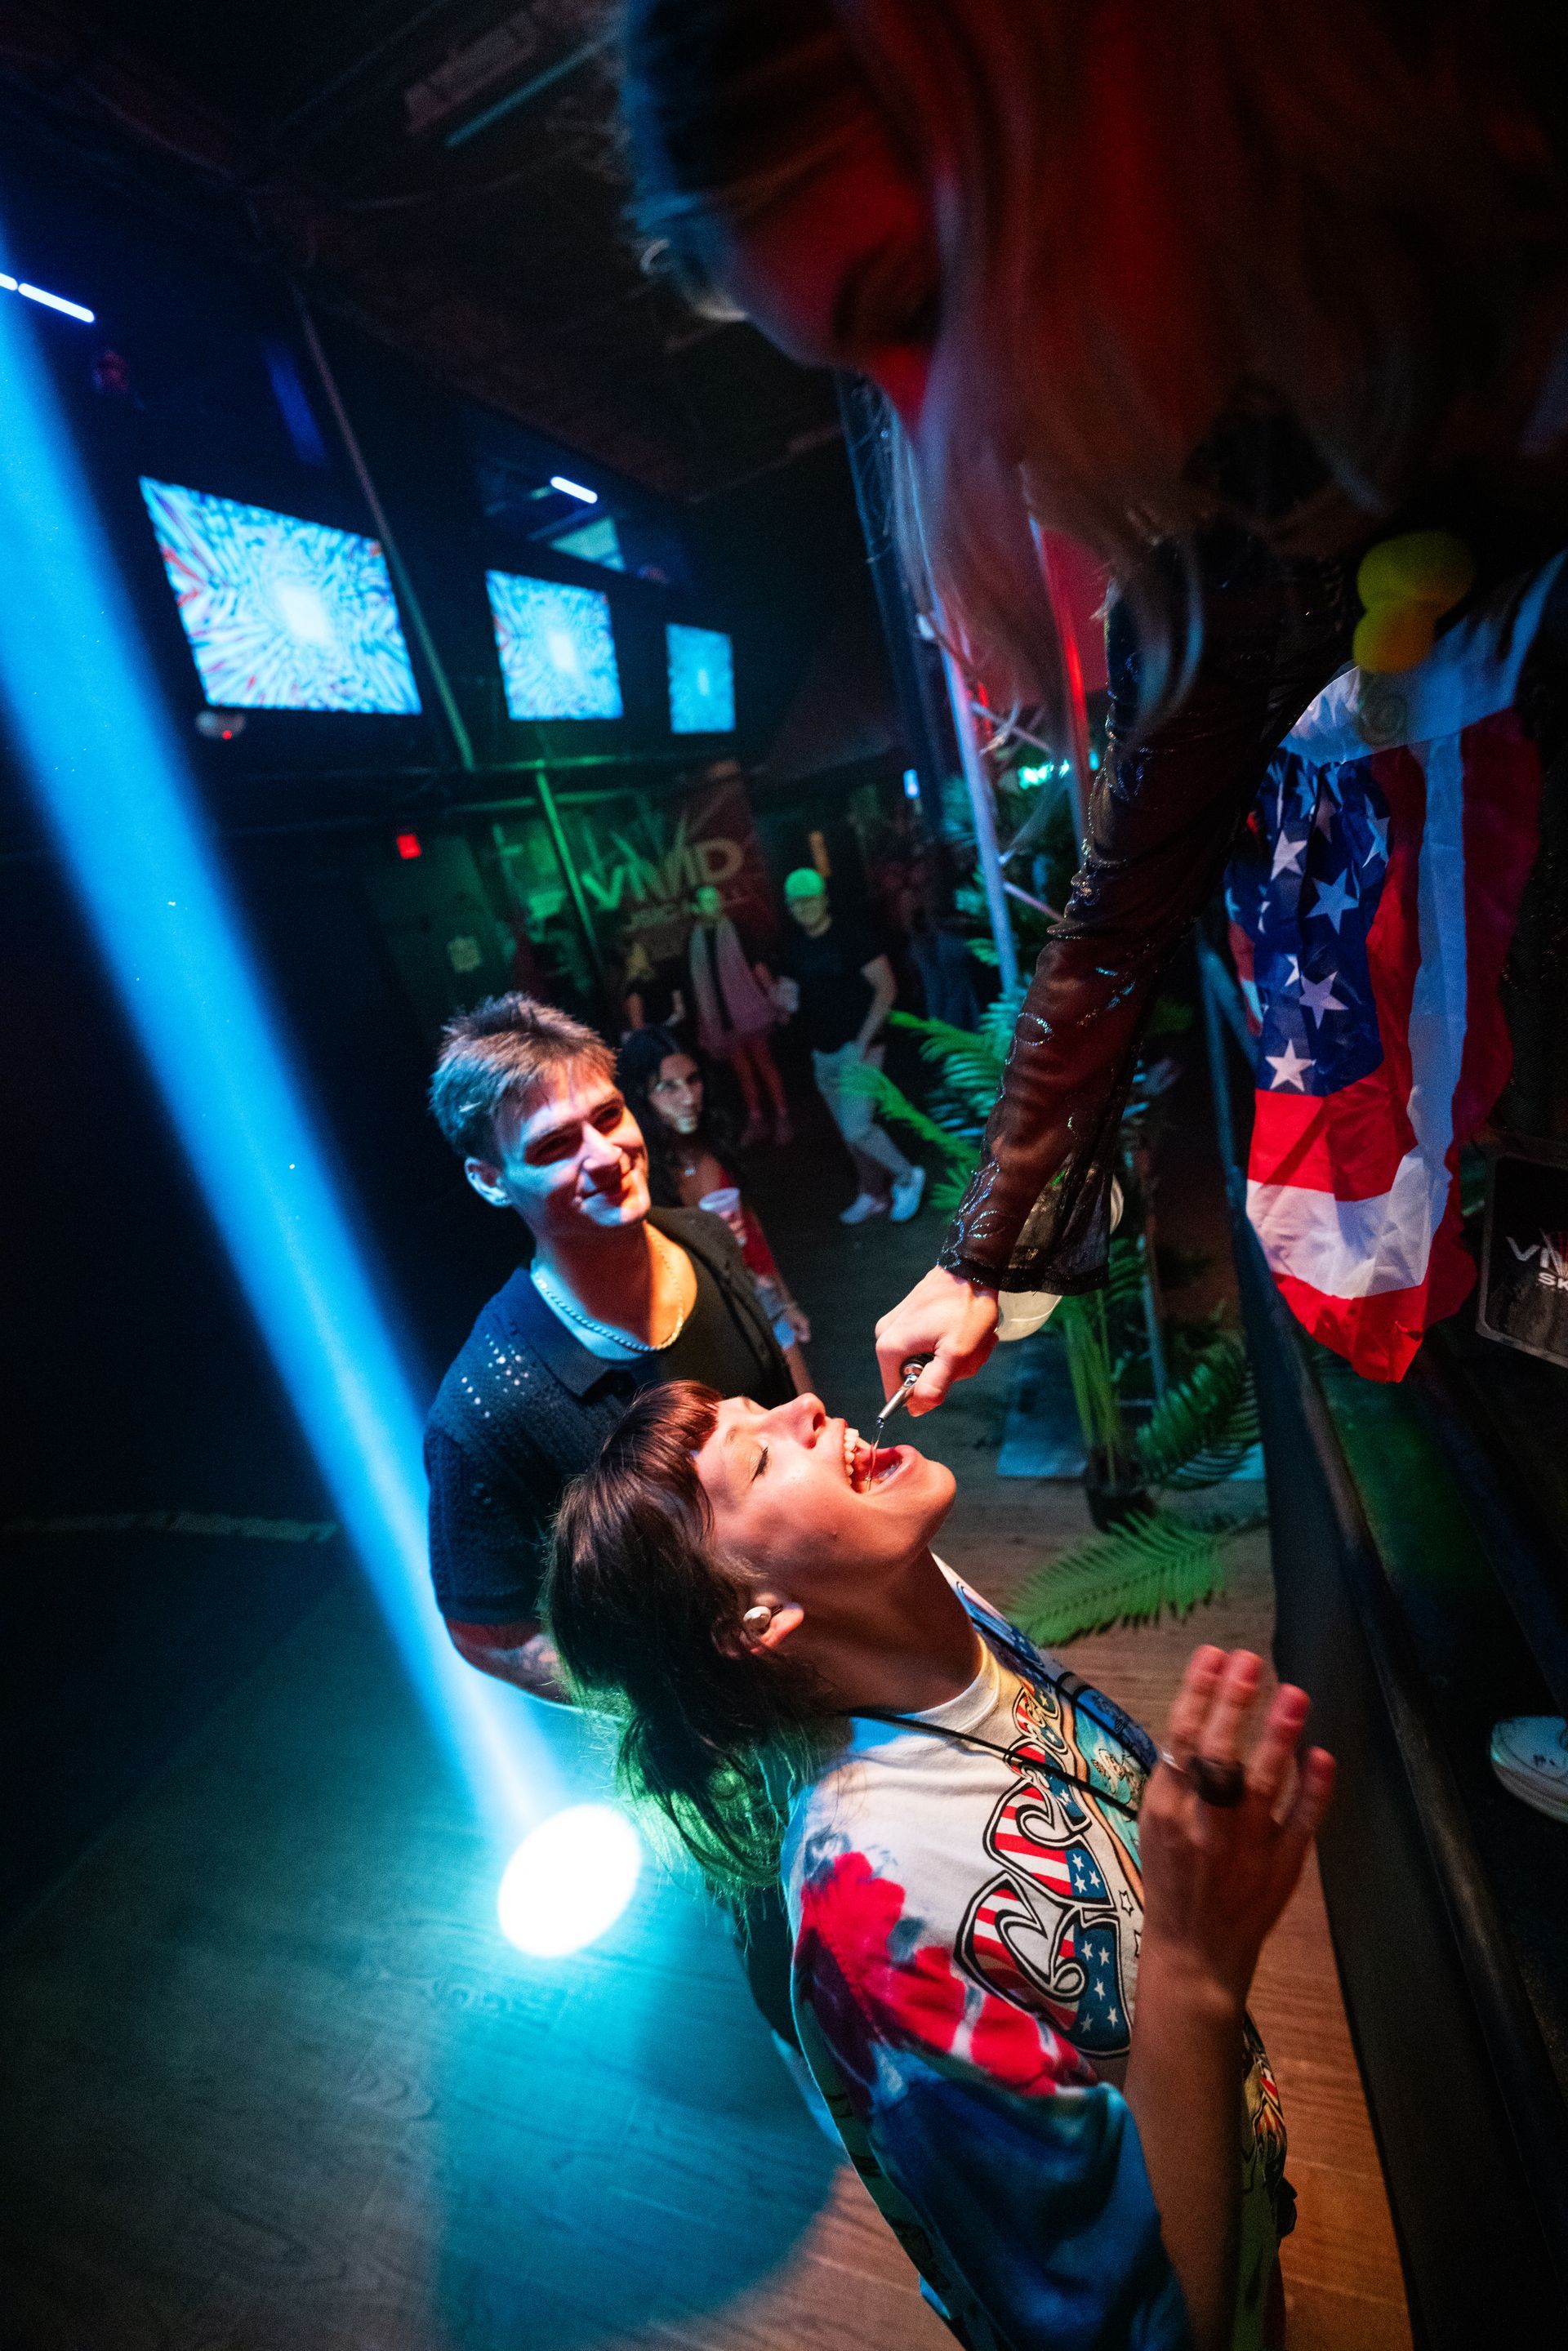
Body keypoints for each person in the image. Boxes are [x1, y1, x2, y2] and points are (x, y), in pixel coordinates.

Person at [616, 0, 1568, 1409]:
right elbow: (1121, 912)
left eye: (923, 298)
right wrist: (982, 1257)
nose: (972, 438)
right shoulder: (1233, 527)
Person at [546, 1381, 1334, 2351]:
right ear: (756, 1620)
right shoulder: (872, 1930)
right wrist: (1194, 1967)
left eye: (761, 1407)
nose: (804, 1403)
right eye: (758, 1458)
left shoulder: (918, 1593)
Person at [423, 992, 795, 1703]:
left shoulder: (705, 1241)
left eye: (608, 1116)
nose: (606, 1155)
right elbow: (489, 1633)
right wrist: (671, 1686)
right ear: (489, 1179)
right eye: (556, 1145)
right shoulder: (487, 1405)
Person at [618, 1023, 814, 1391]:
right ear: (642, 1096)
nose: (689, 1097)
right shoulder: (639, 1177)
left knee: (810, 1412)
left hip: (759, 1296)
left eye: (693, 1081)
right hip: (704, 1327)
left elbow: (752, 1229)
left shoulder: (715, 1148)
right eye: (668, 1087)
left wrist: (786, 1302)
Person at [777, 866, 926, 1226]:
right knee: (850, 1136)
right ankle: (872, 1193)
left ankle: (907, 1176)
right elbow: (792, 998)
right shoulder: (793, 946)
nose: (804, 907)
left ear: (824, 898)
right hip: (822, 1053)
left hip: (859, 1047)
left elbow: (886, 988)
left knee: (857, 1127)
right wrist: (784, 1002)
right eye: (796, 903)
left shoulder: (851, 937)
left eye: (810, 899)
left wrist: (864, 1040)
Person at [685, 882, 793, 1146]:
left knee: (764, 1063)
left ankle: (782, 1117)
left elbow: (758, 965)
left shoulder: (739, 929)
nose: (714, 904)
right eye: (707, 900)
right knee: (743, 1071)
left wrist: (775, 998)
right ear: (696, 907)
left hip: (749, 1009)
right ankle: (756, 1120)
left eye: (716, 898)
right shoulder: (692, 940)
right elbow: (693, 984)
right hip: (720, 1016)